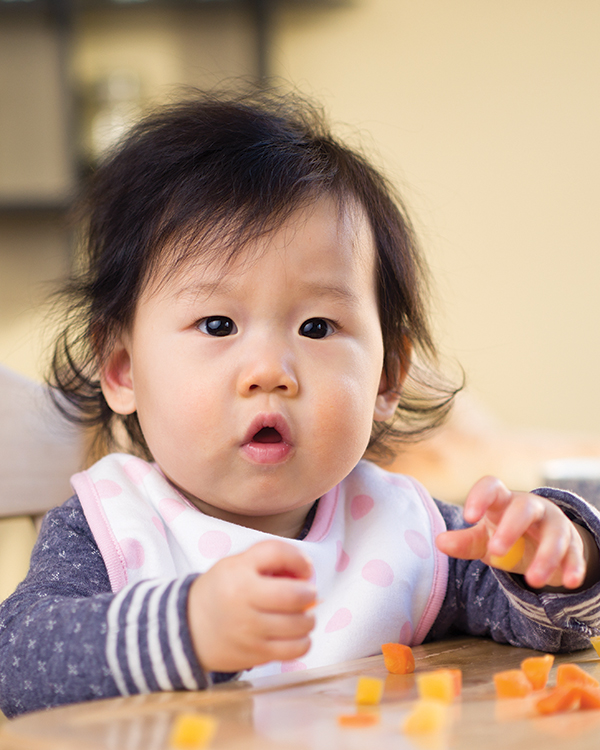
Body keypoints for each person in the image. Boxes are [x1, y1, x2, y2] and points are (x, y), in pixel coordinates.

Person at [1, 89, 599, 718]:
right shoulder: (112, 528)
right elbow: (19, 664)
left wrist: (560, 557)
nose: (269, 372)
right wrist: (189, 628)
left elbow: (549, 627)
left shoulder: (401, 530)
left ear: (387, 378)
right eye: (216, 325)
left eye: (316, 328)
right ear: (122, 369)